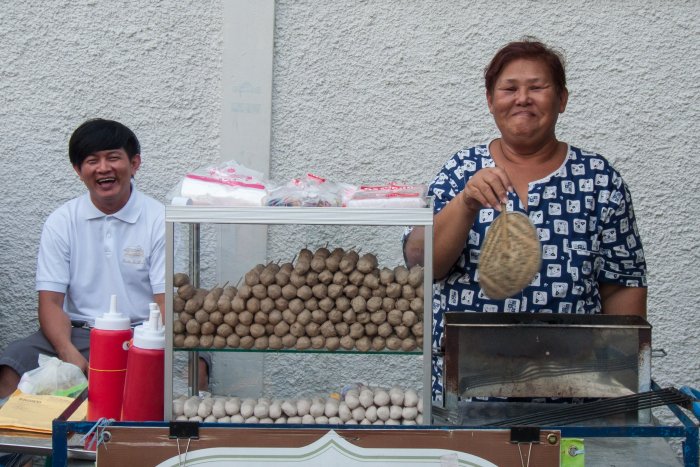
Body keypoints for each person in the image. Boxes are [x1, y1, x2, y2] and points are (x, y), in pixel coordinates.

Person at [404, 39, 647, 401]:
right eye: (509, 89)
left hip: (571, 388)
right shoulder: (462, 170)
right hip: (468, 389)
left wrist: (620, 387)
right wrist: (467, 203)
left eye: (537, 87)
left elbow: (623, 283)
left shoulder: (599, 179)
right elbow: (421, 263)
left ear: (562, 99)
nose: (523, 99)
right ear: (491, 101)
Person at [0, 118, 208, 400]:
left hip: (143, 333)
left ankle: (172, 444)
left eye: (113, 158)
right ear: (78, 170)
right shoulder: (62, 221)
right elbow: (50, 302)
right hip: (78, 333)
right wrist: (68, 353)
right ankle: (22, 445)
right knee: (13, 362)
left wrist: (148, 345)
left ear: (134, 164)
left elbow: (165, 300)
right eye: (91, 160)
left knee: (197, 363)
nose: (103, 168)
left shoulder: (159, 219)